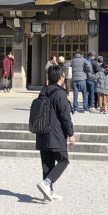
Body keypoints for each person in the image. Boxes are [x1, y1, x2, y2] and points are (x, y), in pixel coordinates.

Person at [36, 64, 75, 201]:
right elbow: (65, 116)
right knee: (64, 160)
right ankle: (46, 184)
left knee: (47, 163)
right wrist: (71, 134)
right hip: (55, 134)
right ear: (60, 77)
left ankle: (49, 192)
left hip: (42, 132)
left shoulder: (43, 91)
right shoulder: (60, 93)